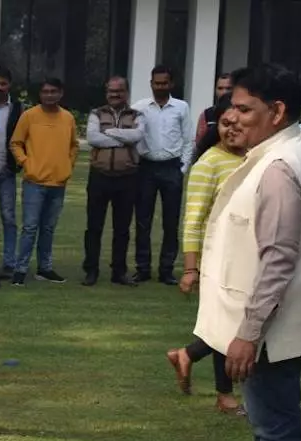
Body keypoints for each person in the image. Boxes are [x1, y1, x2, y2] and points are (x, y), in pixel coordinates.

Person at [195, 64, 301, 441]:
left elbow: (278, 258)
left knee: (279, 430)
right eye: (231, 105)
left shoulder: (280, 166)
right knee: (269, 426)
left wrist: (248, 334)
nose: (233, 116)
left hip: (271, 329)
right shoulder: (295, 152)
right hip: (283, 324)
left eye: (245, 108)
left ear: (277, 112)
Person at [166, 95, 246, 415]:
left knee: (235, 326)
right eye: (225, 123)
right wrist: (190, 269)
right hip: (218, 258)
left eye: (238, 122)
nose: (232, 129)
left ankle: (187, 355)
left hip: (248, 257)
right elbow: (194, 219)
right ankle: (224, 395)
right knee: (228, 326)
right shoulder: (209, 163)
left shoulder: (254, 158)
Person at [9, 77, 78, 286]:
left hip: (58, 183)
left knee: (48, 228)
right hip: (34, 182)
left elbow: (74, 146)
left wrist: (68, 165)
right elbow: (15, 143)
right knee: (30, 227)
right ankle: (20, 269)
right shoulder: (29, 116)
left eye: (53, 91)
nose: (49, 95)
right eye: (45, 91)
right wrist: (26, 163)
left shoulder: (67, 118)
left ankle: (45, 268)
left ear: (61, 93)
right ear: (40, 94)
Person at [132, 65, 194, 285]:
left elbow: (188, 140)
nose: (160, 87)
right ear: (151, 84)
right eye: (156, 83)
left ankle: (166, 269)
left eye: (164, 83)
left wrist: (182, 168)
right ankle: (143, 268)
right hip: (146, 168)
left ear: (171, 84)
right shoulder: (139, 107)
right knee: (142, 221)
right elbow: (132, 137)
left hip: (171, 168)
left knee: (171, 221)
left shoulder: (181, 107)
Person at [82, 75, 145, 287]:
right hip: (100, 176)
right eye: (111, 91)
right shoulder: (95, 114)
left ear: (126, 93)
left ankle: (119, 272)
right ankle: (91, 270)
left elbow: (137, 136)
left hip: (127, 178)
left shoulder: (137, 114)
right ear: (106, 93)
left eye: (119, 91)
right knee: (94, 226)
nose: (115, 95)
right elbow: (92, 138)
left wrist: (109, 132)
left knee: (122, 228)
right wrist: (122, 138)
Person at [0, 67, 24, 279]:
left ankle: (9, 263)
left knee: (8, 217)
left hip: (6, 170)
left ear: (9, 85)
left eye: (3, 84)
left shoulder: (18, 109)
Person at [195, 73, 232, 143]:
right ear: (215, 90)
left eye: (228, 88)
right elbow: (199, 141)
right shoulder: (207, 114)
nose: (224, 92)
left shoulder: (241, 114)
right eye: (220, 88)